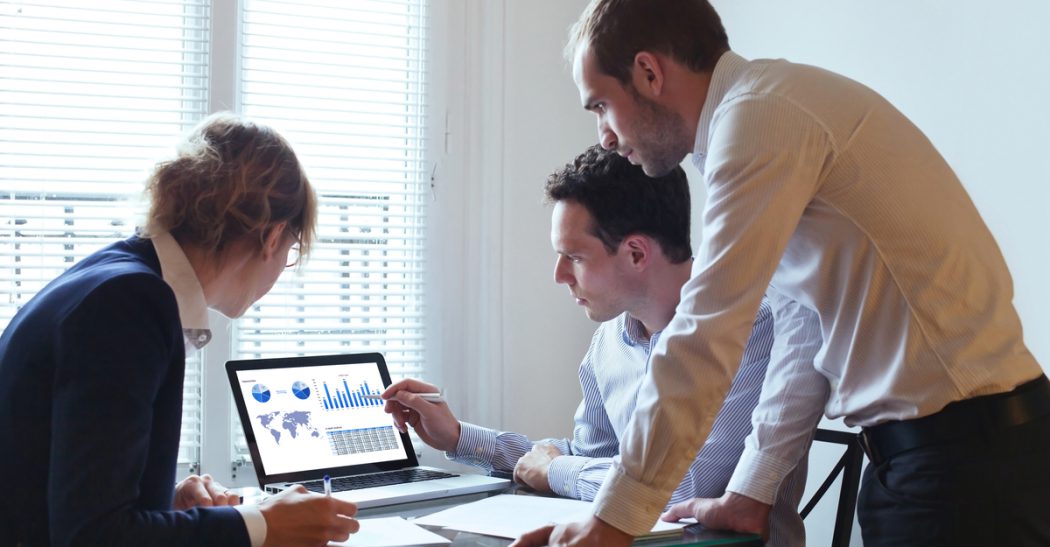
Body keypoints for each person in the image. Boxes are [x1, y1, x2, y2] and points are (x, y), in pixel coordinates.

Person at [514, 1, 1050, 546]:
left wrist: (613, 519)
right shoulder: (763, 113)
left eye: (602, 105)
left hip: (963, 468)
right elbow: (802, 325)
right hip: (935, 462)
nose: (603, 134)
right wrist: (750, 494)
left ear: (650, 74)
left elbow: (707, 331)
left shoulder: (758, 120)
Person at [381, 144, 817, 546]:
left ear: (636, 253)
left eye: (574, 257)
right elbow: (593, 457)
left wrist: (555, 470)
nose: (559, 275)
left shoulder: (752, 325)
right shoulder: (610, 340)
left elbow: (680, 487)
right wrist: (458, 437)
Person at [0, 113, 360, 547]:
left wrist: (165, 503)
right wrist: (260, 526)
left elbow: (68, 490)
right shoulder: (129, 303)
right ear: (273, 236)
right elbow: (91, 536)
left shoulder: (113, 276)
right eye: (292, 249)